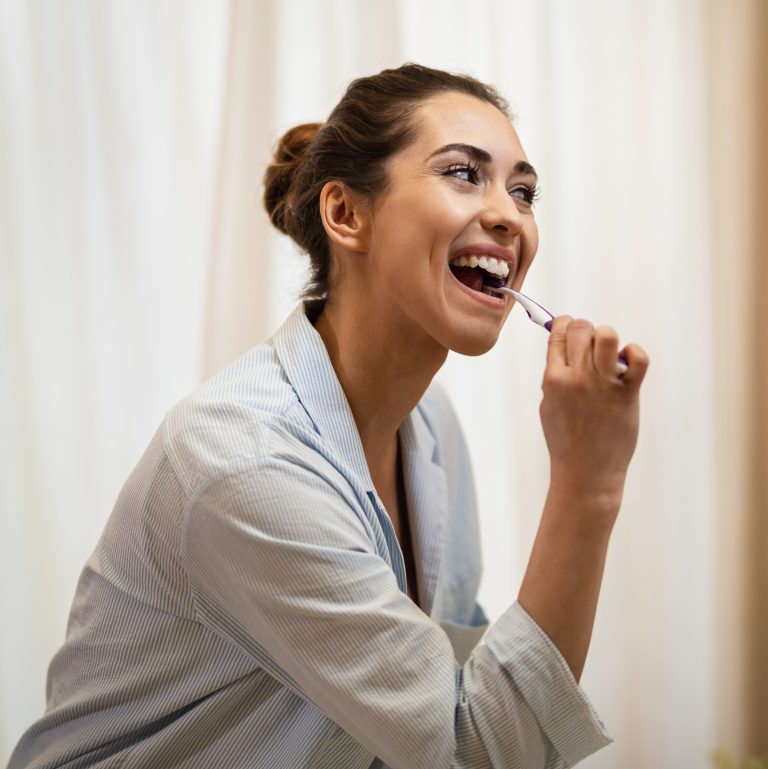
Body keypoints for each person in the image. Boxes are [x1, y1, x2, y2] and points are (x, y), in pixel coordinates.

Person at [9, 63, 648, 769]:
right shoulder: (243, 459)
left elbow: (451, 690)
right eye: (464, 174)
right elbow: (472, 750)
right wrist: (589, 485)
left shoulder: (430, 428)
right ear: (345, 214)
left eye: (523, 191)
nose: (508, 214)